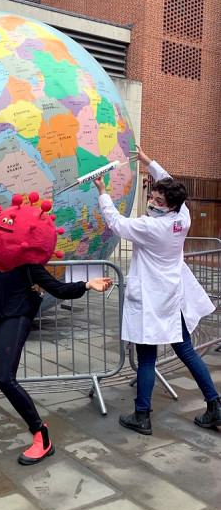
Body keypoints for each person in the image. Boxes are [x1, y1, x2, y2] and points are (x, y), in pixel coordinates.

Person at [0, 196, 112, 466]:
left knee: (5, 379)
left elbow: (59, 289)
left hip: (14, 322)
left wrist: (87, 285)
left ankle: (41, 435)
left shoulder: (30, 268)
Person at [94, 144, 220, 435]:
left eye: (157, 200)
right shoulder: (182, 218)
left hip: (151, 298)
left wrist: (102, 191)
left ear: (171, 205)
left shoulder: (151, 227)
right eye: (151, 196)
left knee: (148, 357)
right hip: (172, 296)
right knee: (187, 351)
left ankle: (142, 415)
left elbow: (116, 223)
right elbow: (169, 182)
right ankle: (215, 405)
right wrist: (148, 162)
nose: (152, 202)